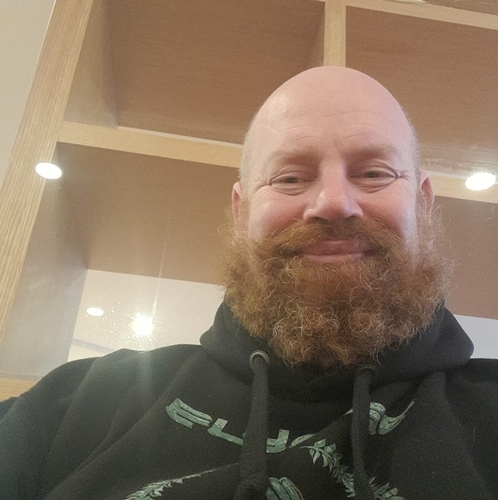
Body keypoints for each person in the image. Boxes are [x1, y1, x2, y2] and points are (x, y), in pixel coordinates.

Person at [0, 66, 497, 500]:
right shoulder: (76, 406)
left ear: (423, 203)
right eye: (290, 178)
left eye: (373, 173)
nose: (333, 202)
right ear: (241, 212)